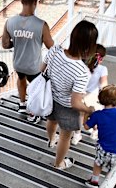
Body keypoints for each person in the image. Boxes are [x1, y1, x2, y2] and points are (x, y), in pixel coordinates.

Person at [42, 21, 98, 169]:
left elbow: (41, 70)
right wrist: (89, 110)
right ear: (90, 46)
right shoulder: (82, 71)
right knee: (65, 137)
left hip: (49, 99)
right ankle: (58, 163)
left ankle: (50, 140)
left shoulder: (54, 50)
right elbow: (75, 103)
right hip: (66, 107)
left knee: (52, 121)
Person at [1, 0, 54, 123]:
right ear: (35, 2)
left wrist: (18, 42)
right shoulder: (41, 25)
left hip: (18, 63)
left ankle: (22, 104)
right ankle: (33, 112)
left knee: (21, 78)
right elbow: (51, 47)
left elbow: (5, 44)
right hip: (33, 66)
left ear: (22, 1)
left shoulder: (9, 22)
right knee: (36, 88)